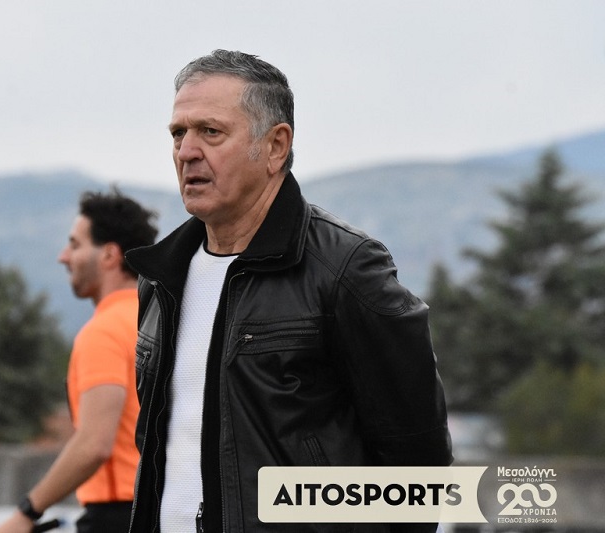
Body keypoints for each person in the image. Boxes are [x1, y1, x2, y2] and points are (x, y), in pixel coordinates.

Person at [124, 50, 453, 532]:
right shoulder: (161, 278)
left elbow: (418, 468)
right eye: (178, 133)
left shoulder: (345, 269)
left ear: (276, 146)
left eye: (210, 132)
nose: (187, 151)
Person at [0, 189, 157, 533]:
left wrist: (27, 512)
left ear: (109, 254)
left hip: (118, 515)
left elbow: (95, 443)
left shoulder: (103, 331)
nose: (63, 257)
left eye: (75, 245)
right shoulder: (161, 321)